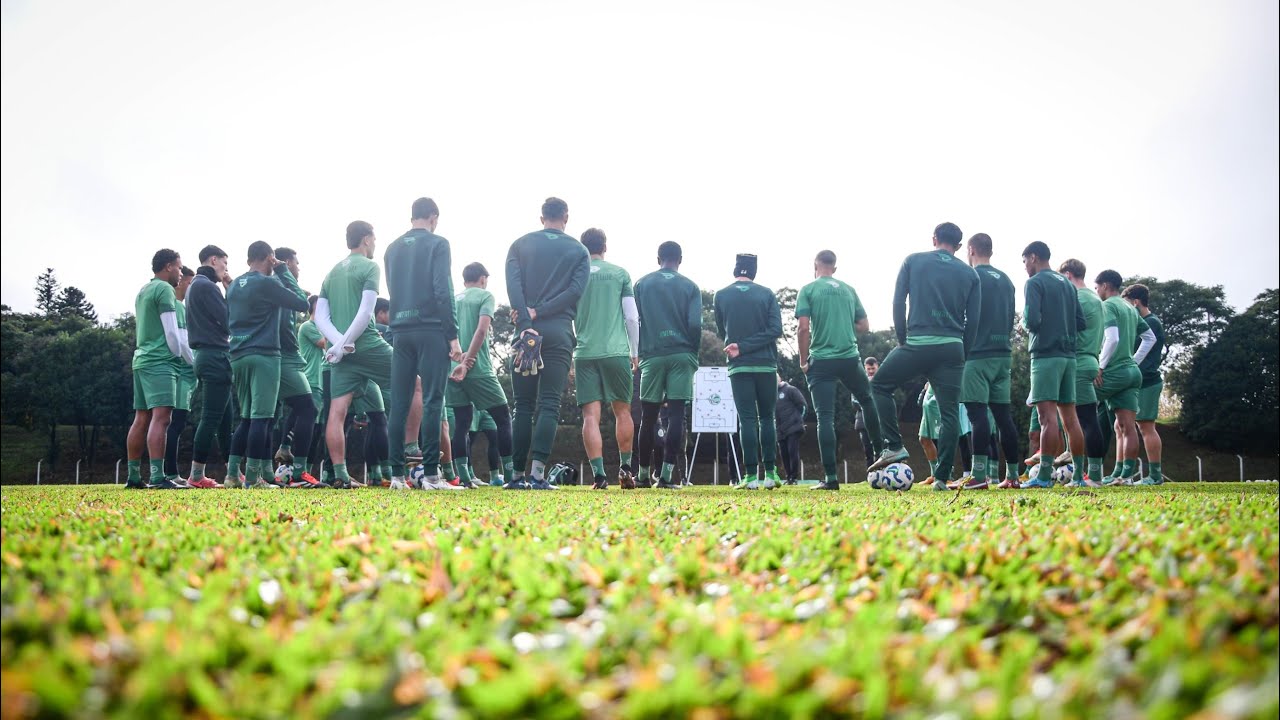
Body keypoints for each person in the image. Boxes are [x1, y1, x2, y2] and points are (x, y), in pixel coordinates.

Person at [868, 223, 980, 491]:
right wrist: (962, 351)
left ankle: (894, 446)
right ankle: (941, 478)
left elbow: (898, 302)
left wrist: (903, 340)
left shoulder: (913, 261)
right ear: (960, 246)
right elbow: (973, 319)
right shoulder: (970, 274)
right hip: (952, 348)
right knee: (950, 412)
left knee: (879, 386)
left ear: (934, 239)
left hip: (917, 342)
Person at [504, 197, 591, 489]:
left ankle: (516, 476)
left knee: (523, 406)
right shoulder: (579, 251)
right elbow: (575, 291)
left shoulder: (519, 245)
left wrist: (527, 323)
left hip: (526, 333)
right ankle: (538, 474)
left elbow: (513, 286)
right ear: (566, 217)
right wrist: (540, 312)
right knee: (550, 404)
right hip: (558, 332)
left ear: (541, 217)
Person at [382, 198, 465, 491]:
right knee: (432, 400)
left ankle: (395, 476)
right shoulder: (438, 244)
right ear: (433, 216)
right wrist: (453, 337)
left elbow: (393, 288)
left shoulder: (391, 248)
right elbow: (443, 289)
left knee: (399, 403)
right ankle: (431, 475)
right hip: (431, 329)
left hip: (400, 330)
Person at [315, 221, 395, 489]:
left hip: (342, 355)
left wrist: (338, 345)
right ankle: (411, 449)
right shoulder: (371, 266)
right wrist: (344, 343)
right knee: (415, 384)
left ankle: (340, 473)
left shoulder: (330, 273)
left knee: (337, 413)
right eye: (375, 239)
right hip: (368, 344)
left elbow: (320, 318)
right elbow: (365, 312)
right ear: (367, 239)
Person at [224, 241, 309, 489]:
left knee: (247, 419)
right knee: (262, 418)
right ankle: (252, 479)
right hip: (264, 355)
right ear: (270, 257)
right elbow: (302, 303)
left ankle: (231, 475)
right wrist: (282, 271)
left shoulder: (233, 287)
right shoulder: (268, 282)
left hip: (238, 355)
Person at [796, 249, 882, 491]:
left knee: (825, 417)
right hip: (849, 357)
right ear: (835, 267)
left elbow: (803, 329)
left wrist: (804, 361)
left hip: (821, 360)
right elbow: (864, 325)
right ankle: (881, 455)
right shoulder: (848, 289)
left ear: (815, 266)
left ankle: (831, 478)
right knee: (867, 399)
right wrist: (844, 327)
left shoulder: (808, 290)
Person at [572, 228, 640, 490]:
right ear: (605, 246)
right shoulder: (620, 273)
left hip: (585, 352)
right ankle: (625, 468)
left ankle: (599, 476)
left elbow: (567, 315)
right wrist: (634, 351)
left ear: (582, 248)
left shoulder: (574, 275)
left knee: (591, 416)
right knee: (622, 411)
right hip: (616, 351)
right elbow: (632, 318)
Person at [633, 241, 702, 490]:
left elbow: (633, 320)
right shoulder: (690, 287)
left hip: (652, 355)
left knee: (648, 417)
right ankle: (666, 477)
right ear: (680, 260)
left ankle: (641, 476)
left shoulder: (641, 284)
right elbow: (695, 325)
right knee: (676, 416)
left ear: (658, 258)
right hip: (682, 354)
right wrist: (692, 350)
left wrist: (638, 351)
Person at [1019, 241, 1086, 488]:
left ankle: (1044, 476)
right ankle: (1079, 477)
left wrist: (1024, 324)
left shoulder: (1034, 283)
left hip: (1046, 356)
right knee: (1071, 419)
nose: (1025, 267)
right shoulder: (1068, 284)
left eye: (1025, 261)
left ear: (1033, 257)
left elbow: (1033, 320)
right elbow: (1080, 322)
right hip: (1069, 357)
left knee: (1047, 418)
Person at [714, 254, 784, 489]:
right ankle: (771, 474)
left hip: (738, 365)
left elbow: (721, 327)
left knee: (746, 420)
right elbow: (776, 329)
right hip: (766, 364)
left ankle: (751, 477)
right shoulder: (767, 294)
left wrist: (740, 347)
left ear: (735, 270)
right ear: (754, 272)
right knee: (767, 418)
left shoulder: (721, 295)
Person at [126, 249, 193, 489]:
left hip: (141, 360)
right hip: (160, 361)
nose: (181, 272)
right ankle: (157, 476)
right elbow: (172, 333)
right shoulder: (165, 289)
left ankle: (133, 477)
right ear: (168, 267)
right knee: (162, 418)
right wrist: (184, 359)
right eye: (179, 267)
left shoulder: (144, 290)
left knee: (141, 418)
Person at [957, 233, 1020, 490]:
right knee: (1004, 417)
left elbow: (961, 316)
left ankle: (979, 477)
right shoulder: (1006, 280)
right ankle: (1013, 477)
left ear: (971, 249)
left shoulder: (970, 276)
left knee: (977, 415)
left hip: (977, 354)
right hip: (1003, 354)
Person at [446, 262, 515, 489]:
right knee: (503, 418)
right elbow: (482, 330)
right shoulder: (485, 296)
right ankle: (512, 476)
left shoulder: (453, 299)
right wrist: (467, 362)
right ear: (483, 279)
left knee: (462, 423)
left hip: (451, 369)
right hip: (477, 368)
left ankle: (464, 477)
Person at [264, 247, 322, 487]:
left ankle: (263, 473)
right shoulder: (278, 284)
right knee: (307, 409)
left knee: (265, 417)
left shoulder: (270, 285)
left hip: (269, 357)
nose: (299, 268)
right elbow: (302, 303)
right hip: (282, 357)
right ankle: (298, 473)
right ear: (286, 263)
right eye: (296, 263)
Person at [1094, 270, 1157, 484]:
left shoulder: (1108, 305)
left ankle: (1081, 467)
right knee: (1126, 426)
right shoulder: (1130, 308)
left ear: (1104, 286)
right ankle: (1125, 476)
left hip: (1113, 371)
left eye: (1097, 287)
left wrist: (1100, 367)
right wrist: (1132, 361)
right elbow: (1149, 338)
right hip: (1132, 372)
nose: (1096, 291)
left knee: (1076, 403)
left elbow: (1111, 339)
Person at [186, 245, 233, 487]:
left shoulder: (195, 284)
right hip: (215, 356)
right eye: (225, 264)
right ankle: (196, 476)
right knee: (211, 418)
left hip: (204, 355)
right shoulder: (207, 285)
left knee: (226, 419)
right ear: (214, 260)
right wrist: (230, 289)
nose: (226, 270)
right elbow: (229, 321)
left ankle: (233, 471)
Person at [1059, 259, 1107, 486]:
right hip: (1090, 359)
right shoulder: (1096, 298)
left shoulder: (1076, 297)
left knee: (1081, 421)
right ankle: (1094, 473)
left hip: (1077, 361)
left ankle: (1087, 475)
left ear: (1068, 275)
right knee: (1089, 419)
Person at [1123, 283, 1166, 485]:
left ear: (1135, 302)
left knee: (1146, 427)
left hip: (1148, 381)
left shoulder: (1151, 322)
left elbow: (1143, 354)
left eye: (1127, 304)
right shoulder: (1141, 322)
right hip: (1137, 382)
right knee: (1121, 425)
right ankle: (1123, 474)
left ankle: (1155, 475)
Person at [161, 266, 197, 486]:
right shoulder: (178, 307)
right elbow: (182, 343)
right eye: (190, 283)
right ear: (182, 281)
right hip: (181, 373)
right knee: (175, 423)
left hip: (181, 373)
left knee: (172, 423)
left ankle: (169, 472)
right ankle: (170, 473)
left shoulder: (179, 307)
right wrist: (197, 363)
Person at [297, 296, 329, 479]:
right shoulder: (308, 326)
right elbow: (325, 343)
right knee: (308, 427)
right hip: (311, 381)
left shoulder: (319, 328)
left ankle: (307, 471)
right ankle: (298, 470)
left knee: (316, 432)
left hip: (321, 384)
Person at [774, 374, 807, 484]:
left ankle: (794, 477)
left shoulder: (790, 390)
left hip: (793, 427)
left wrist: (798, 421)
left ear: (779, 378)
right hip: (780, 430)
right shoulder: (771, 394)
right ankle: (788, 477)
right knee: (783, 454)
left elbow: (803, 406)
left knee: (792, 451)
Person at [853, 357, 879, 472]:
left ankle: (882, 473)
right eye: (869, 369)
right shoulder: (859, 381)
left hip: (880, 421)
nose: (871, 371)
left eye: (873, 368)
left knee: (881, 448)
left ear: (877, 366)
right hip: (863, 421)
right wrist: (869, 406)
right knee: (868, 449)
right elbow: (854, 401)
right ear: (865, 368)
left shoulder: (882, 381)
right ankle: (871, 475)